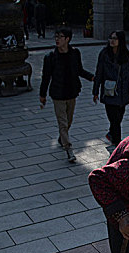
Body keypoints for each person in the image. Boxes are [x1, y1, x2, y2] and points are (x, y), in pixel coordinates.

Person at [39, 26, 94, 162]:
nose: (57, 40)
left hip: (72, 92)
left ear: (67, 39)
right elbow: (46, 77)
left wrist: (92, 77)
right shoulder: (50, 57)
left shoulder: (75, 53)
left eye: (60, 37)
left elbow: (79, 70)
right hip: (57, 94)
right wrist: (42, 94)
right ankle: (68, 149)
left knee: (68, 121)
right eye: (56, 37)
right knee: (63, 123)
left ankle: (61, 138)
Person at [93, 30, 129, 147]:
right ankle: (117, 143)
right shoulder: (104, 54)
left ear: (121, 40)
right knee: (115, 120)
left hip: (123, 94)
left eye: (115, 38)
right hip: (109, 92)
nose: (112, 41)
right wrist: (95, 91)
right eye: (110, 38)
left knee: (118, 119)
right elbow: (99, 73)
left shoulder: (126, 55)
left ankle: (111, 134)